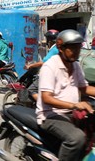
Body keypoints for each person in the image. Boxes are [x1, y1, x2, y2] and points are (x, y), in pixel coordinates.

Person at [36, 29, 95, 161]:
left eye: (78, 48)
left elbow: (83, 88)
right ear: (60, 48)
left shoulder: (75, 65)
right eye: (72, 48)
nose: (76, 52)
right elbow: (47, 97)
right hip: (50, 115)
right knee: (77, 138)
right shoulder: (50, 67)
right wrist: (74, 104)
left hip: (70, 112)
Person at [23, 29, 59, 100]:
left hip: (50, 75)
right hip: (56, 74)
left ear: (49, 40)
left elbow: (43, 62)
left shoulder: (54, 49)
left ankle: (43, 105)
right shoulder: (58, 48)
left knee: (31, 90)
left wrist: (30, 65)